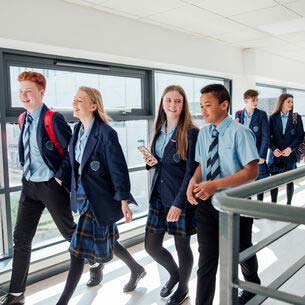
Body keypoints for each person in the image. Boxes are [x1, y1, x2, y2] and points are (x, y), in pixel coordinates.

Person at [0, 72, 104, 305]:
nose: (24, 96)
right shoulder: (22, 119)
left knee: (70, 234)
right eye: (20, 92)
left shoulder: (52, 118)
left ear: (41, 92)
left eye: (28, 91)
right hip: (29, 186)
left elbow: (72, 150)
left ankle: (95, 262)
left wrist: (58, 177)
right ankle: (17, 294)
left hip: (50, 186)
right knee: (21, 238)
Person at [56, 86, 146, 305]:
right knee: (110, 240)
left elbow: (118, 169)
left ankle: (62, 302)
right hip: (82, 196)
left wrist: (123, 200)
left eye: (80, 100)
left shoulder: (106, 133)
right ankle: (137, 269)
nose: (75, 103)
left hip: (100, 199)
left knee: (76, 251)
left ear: (93, 106)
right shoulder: (77, 130)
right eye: (74, 99)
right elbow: (71, 161)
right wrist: (59, 176)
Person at [187, 84, 261, 305]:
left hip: (236, 204)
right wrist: (194, 180)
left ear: (224, 105)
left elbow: (252, 171)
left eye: (207, 105)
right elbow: (202, 165)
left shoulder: (241, 132)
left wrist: (216, 184)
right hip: (206, 204)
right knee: (207, 260)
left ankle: (252, 287)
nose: (203, 110)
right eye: (201, 106)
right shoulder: (203, 133)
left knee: (241, 251)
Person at [144, 85, 198, 305]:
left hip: (179, 198)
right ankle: (175, 274)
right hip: (158, 195)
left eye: (177, 101)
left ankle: (183, 287)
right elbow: (161, 161)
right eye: (169, 101)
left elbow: (191, 172)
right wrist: (151, 163)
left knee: (182, 246)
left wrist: (178, 204)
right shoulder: (159, 129)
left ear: (183, 105)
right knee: (151, 246)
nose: (173, 105)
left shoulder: (192, 132)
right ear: (162, 103)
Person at [267, 93, 304, 205]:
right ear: (281, 102)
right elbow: (267, 137)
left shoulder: (296, 117)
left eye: (292, 102)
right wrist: (273, 149)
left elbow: (300, 137)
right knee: (274, 182)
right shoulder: (273, 118)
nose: (291, 104)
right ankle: (273, 206)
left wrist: (290, 149)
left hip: (290, 155)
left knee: (290, 181)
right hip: (276, 156)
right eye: (288, 101)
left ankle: (288, 205)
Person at [235, 89, 269, 200]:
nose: (255, 102)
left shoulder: (262, 115)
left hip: (257, 154)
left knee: (260, 182)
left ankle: (259, 207)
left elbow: (265, 136)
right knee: (245, 182)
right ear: (246, 100)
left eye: (257, 100)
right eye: (253, 100)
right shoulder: (238, 114)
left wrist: (262, 155)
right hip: (242, 154)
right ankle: (247, 206)